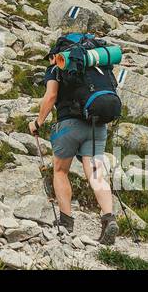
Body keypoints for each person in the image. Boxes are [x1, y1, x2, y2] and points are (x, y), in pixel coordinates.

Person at [29, 44, 120, 245]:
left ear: (56, 55)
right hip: (97, 124)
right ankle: (109, 218)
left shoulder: (55, 68)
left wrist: (37, 122)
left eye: (50, 58)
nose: (50, 61)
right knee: (96, 173)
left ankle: (66, 222)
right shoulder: (97, 67)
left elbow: (51, 96)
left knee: (60, 171)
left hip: (68, 125)